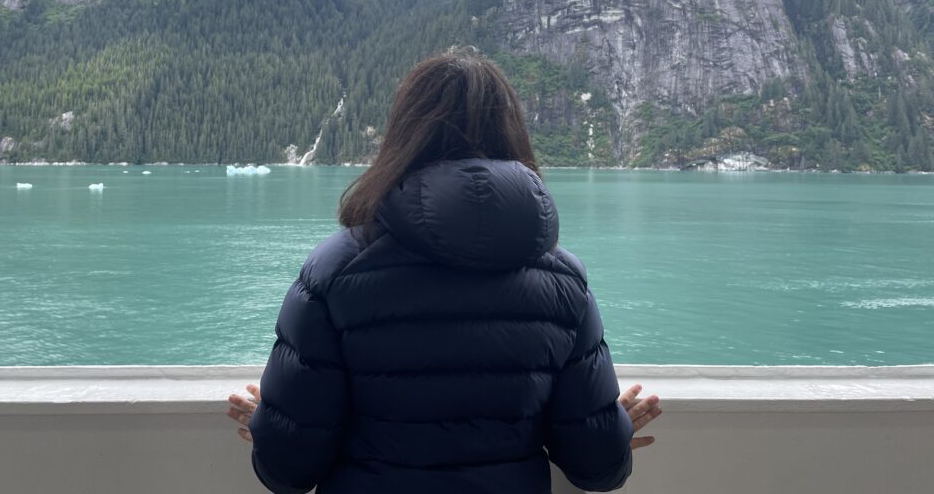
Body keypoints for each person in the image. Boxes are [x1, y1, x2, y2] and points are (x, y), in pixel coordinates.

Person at [227, 46, 661, 493]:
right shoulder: (565, 281)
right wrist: (612, 429)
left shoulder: (335, 271)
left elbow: (290, 468)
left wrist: (272, 424)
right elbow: (596, 466)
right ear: (512, 131)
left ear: (403, 135)